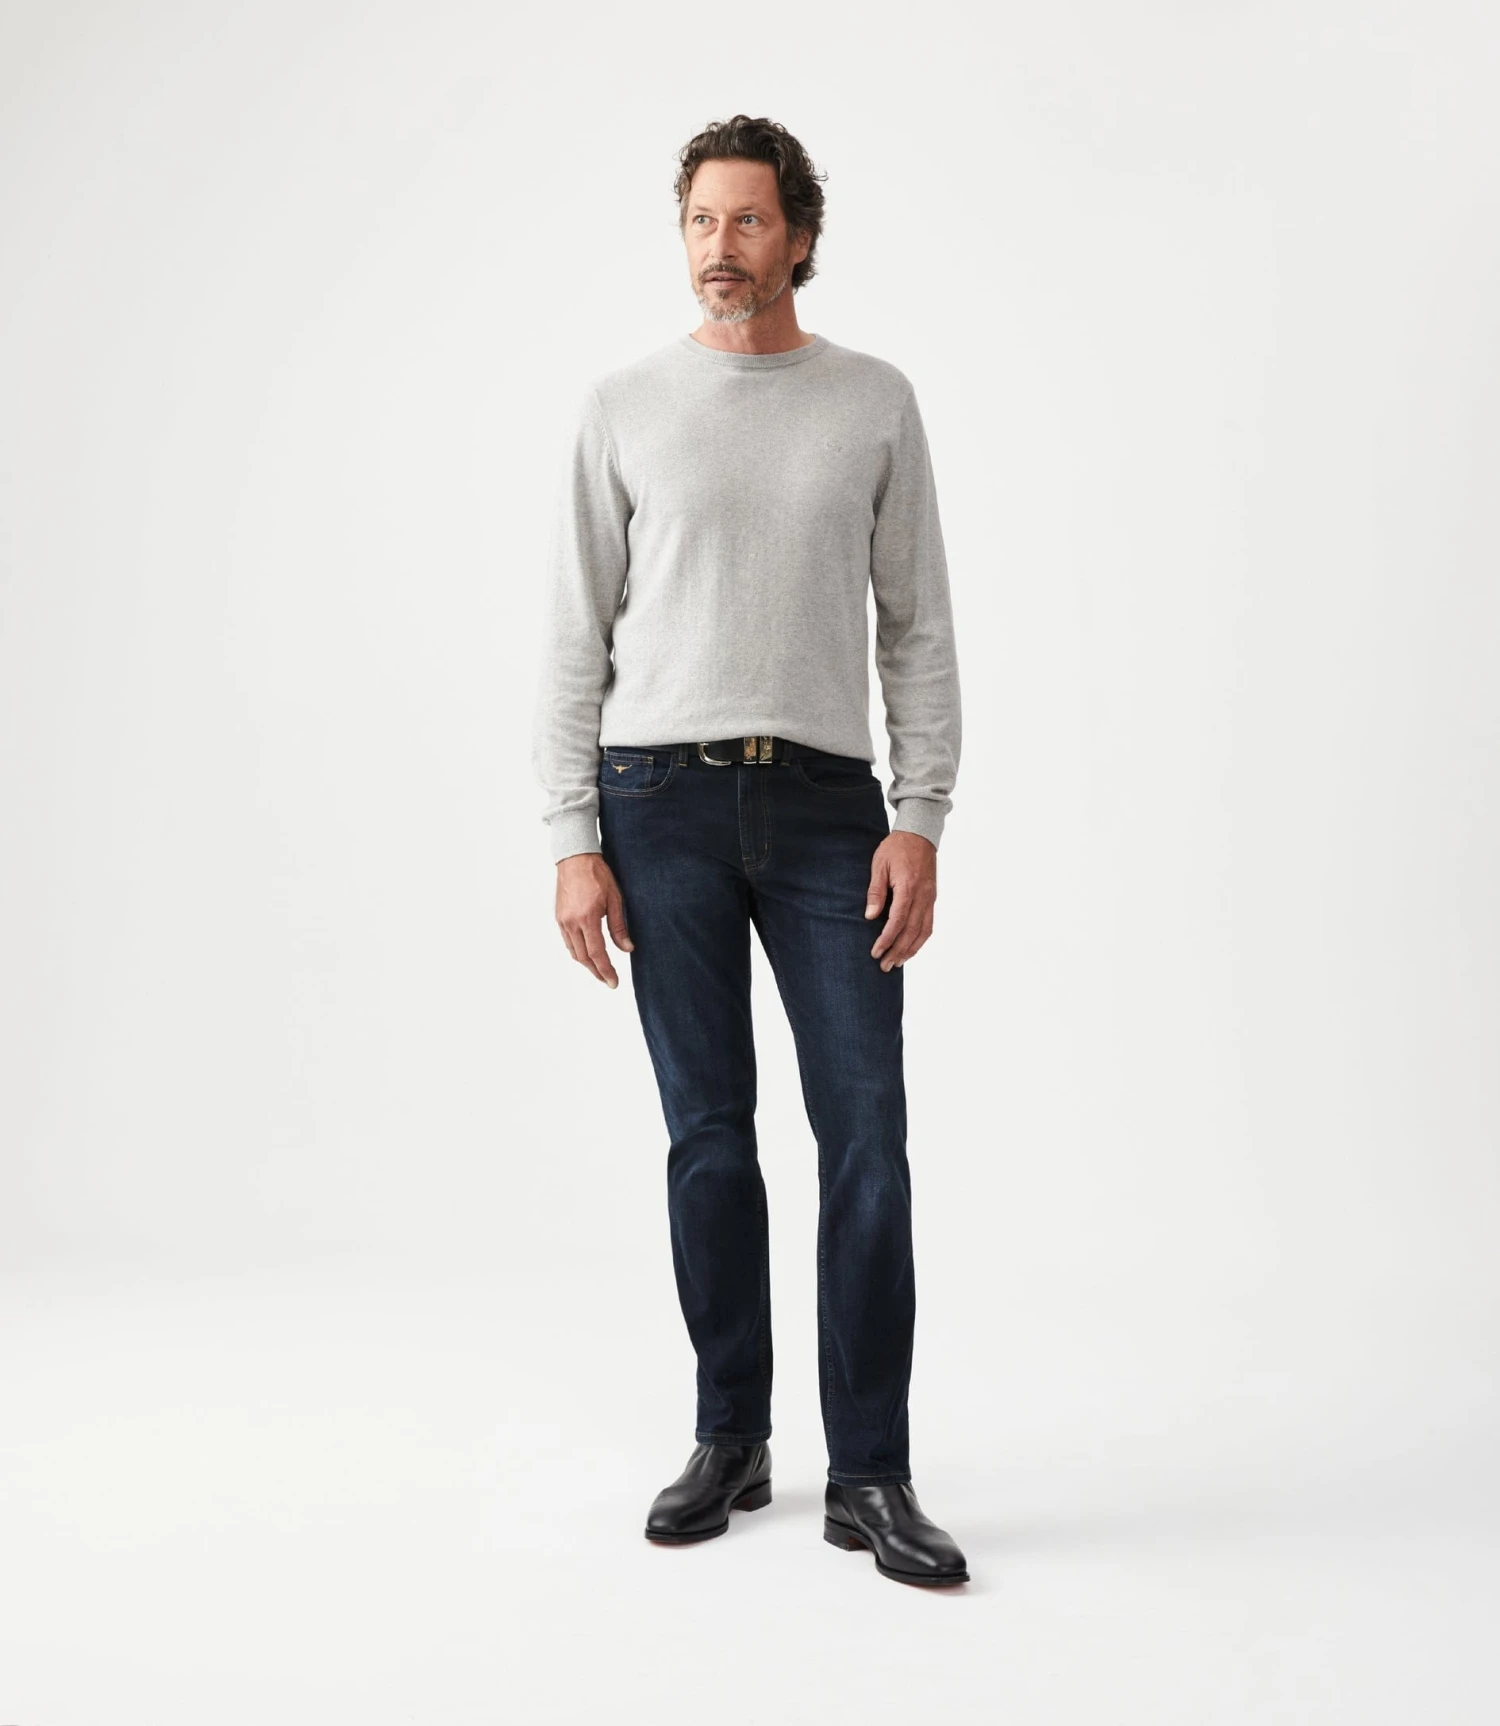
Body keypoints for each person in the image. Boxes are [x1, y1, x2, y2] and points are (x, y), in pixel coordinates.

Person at [530, 114, 967, 1587]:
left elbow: (918, 626)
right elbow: (572, 635)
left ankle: (872, 1471)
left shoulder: (873, 401)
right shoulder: (624, 406)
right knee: (709, 1134)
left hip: (831, 808)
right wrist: (572, 838)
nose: (723, 247)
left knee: (867, 1135)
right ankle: (732, 1436)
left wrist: (919, 815)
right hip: (655, 802)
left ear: (801, 236)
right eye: (702, 221)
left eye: (750, 221)